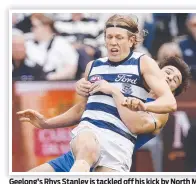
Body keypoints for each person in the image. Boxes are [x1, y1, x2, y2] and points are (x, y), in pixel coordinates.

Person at [17, 14, 178, 172]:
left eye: (119, 37)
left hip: (117, 147)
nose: (112, 42)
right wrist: (46, 123)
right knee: (80, 153)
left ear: (131, 40)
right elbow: (82, 108)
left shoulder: (143, 62)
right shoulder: (93, 66)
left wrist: (141, 104)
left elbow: (169, 103)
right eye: (109, 37)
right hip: (90, 132)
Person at [17, 56, 191, 172]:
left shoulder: (161, 111)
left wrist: (115, 92)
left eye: (175, 80)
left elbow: (136, 125)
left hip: (111, 161)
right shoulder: (130, 83)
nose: (169, 78)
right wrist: (46, 123)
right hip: (79, 155)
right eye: (168, 72)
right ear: (155, 72)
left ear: (173, 92)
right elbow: (82, 109)